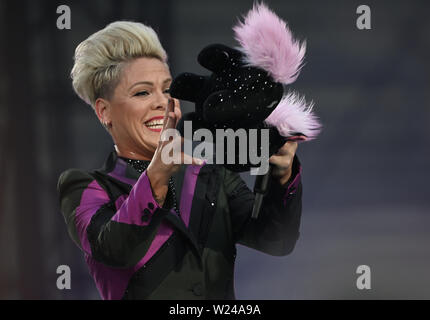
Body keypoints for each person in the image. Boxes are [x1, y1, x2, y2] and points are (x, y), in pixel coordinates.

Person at [57, 21, 303, 300]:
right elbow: (113, 248)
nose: (162, 102)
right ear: (104, 112)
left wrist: (282, 174)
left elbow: (275, 240)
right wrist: (156, 176)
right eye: (142, 92)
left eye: (166, 89)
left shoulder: (210, 174)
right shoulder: (84, 187)